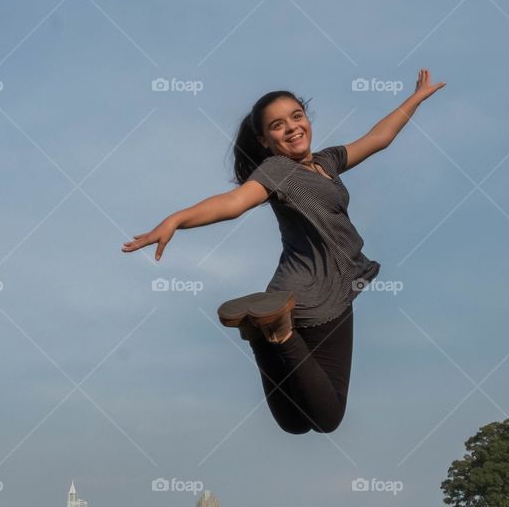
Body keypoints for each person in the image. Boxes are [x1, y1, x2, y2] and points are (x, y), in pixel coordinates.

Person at [122, 69, 446, 434]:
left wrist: (416, 98)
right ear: (264, 140)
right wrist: (176, 220)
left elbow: (378, 138)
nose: (292, 127)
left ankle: (263, 334)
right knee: (328, 417)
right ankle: (279, 334)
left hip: (286, 298)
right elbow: (234, 202)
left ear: (306, 118)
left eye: (296, 116)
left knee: (295, 422)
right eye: (277, 125)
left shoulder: (327, 162)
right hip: (320, 297)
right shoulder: (277, 170)